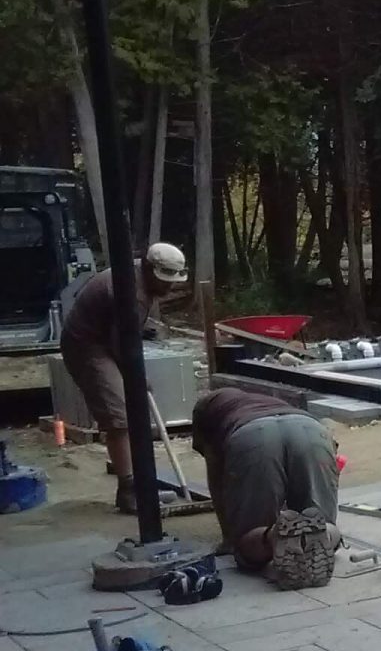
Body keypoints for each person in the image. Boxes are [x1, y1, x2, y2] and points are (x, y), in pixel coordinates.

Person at [59, 243, 191, 513]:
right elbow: (122, 346)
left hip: (106, 339)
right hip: (87, 345)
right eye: (165, 279)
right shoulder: (131, 292)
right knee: (119, 417)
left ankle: (143, 484)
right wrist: (137, 376)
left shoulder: (143, 280)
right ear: (149, 268)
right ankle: (129, 491)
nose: (170, 286)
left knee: (134, 409)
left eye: (173, 279)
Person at [190, 388, 342, 589]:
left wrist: (230, 538)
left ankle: (273, 536)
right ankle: (326, 533)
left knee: (249, 539)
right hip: (311, 429)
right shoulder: (267, 399)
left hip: (252, 435)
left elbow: (216, 475)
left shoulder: (204, 410)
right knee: (320, 520)